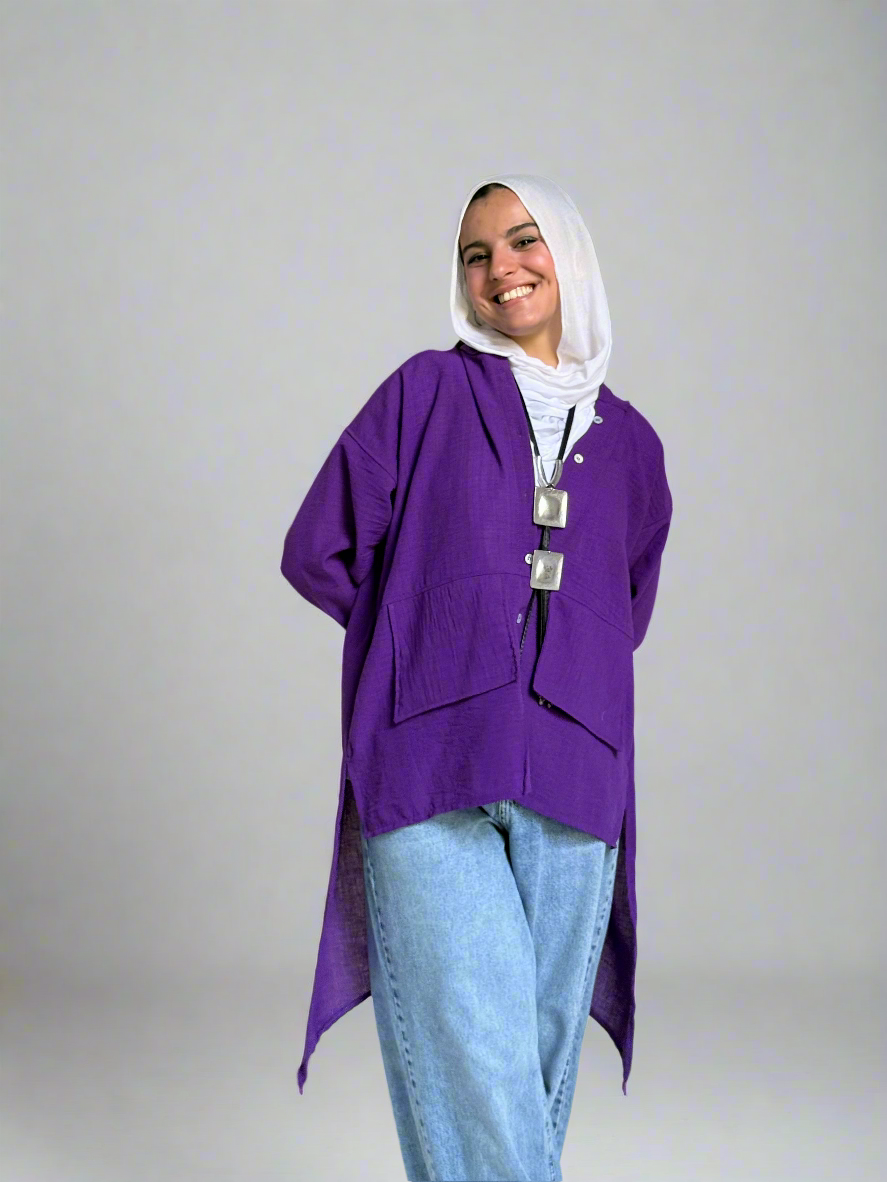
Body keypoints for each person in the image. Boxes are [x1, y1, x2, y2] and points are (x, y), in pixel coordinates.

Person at [281, 173, 673, 1181]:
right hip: (431, 766)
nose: (500, 267)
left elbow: (622, 609)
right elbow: (318, 548)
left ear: (568, 254)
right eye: (475, 254)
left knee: (523, 1079)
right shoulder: (422, 394)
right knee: (478, 1064)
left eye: (523, 240)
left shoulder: (632, 446)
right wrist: (426, 644)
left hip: (576, 775)